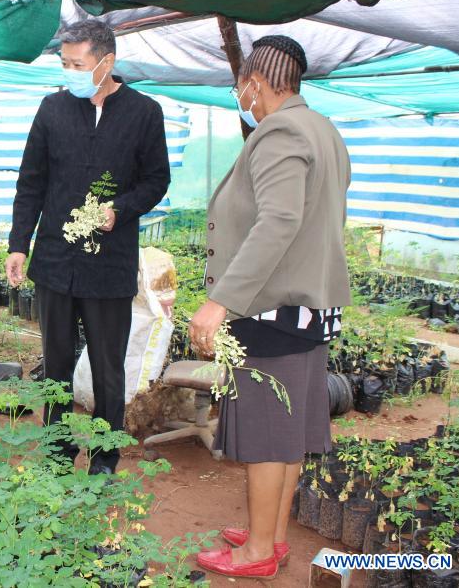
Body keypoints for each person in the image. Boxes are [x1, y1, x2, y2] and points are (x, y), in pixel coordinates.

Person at [188, 35, 352, 579]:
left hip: (272, 310)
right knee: (286, 437)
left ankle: (257, 552)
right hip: (308, 311)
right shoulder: (323, 129)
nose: (243, 96)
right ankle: (272, 536)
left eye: (242, 86)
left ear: (255, 83)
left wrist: (220, 302)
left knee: (264, 437)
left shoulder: (279, 131)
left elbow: (279, 221)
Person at [6, 19, 170, 475]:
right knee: (55, 363)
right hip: (56, 262)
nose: (70, 73)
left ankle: (103, 458)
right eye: (65, 64)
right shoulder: (52, 110)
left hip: (109, 265)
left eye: (78, 64)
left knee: (107, 367)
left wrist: (121, 209)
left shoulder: (143, 113)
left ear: (106, 63)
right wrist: (19, 244)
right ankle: (58, 451)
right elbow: (31, 183)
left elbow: (157, 180)